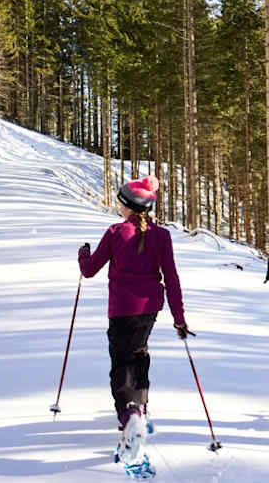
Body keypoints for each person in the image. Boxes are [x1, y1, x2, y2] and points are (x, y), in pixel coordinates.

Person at [78, 175, 189, 468]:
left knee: (121, 364)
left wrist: (83, 254)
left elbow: (89, 270)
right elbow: (172, 278)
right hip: (150, 308)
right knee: (138, 355)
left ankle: (130, 415)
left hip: (122, 309)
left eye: (120, 202)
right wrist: (179, 318)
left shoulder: (116, 232)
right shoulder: (161, 236)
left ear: (129, 206)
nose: (118, 206)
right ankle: (140, 406)